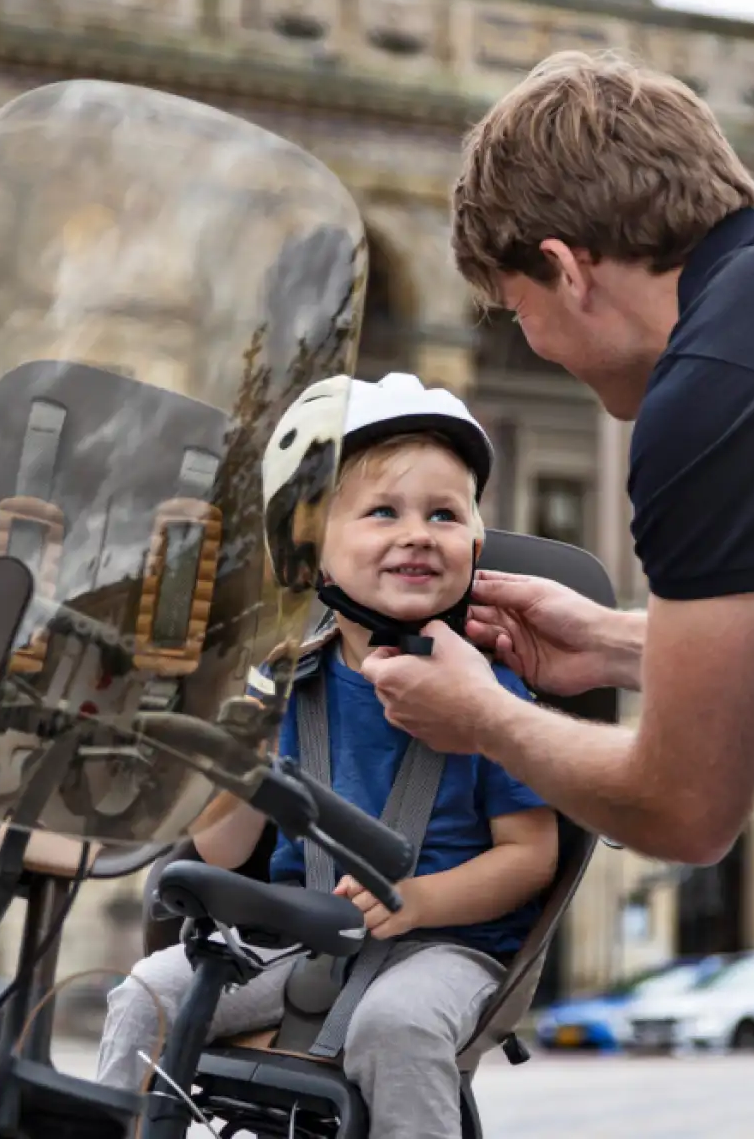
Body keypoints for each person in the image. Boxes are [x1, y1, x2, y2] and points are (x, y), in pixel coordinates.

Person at [358, 49, 754, 866]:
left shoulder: (709, 390)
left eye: (517, 311)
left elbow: (685, 810)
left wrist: (485, 717)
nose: (532, 343)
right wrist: (621, 646)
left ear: (566, 270)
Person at [95, 373, 559, 1139]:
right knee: (149, 992)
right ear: (310, 551)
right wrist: (234, 754)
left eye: (443, 514)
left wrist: (421, 901)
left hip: (448, 945)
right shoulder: (284, 685)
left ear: (474, 543)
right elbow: (222, 847)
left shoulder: (489, 692)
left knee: (395, 1028)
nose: (417, 532)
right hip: (296, 937)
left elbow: (530, 856)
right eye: (383, 511)